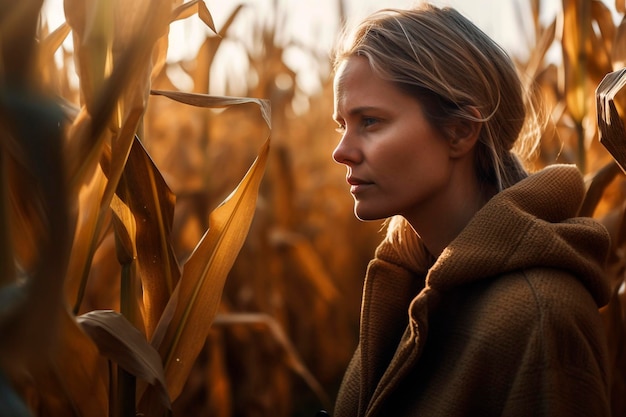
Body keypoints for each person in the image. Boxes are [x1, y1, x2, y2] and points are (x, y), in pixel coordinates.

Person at [327, 3, 612, 417]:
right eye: (342, 125)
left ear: (460, 132)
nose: (341, 151)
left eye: (370, 121)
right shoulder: (404, 281)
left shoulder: (541, 315)